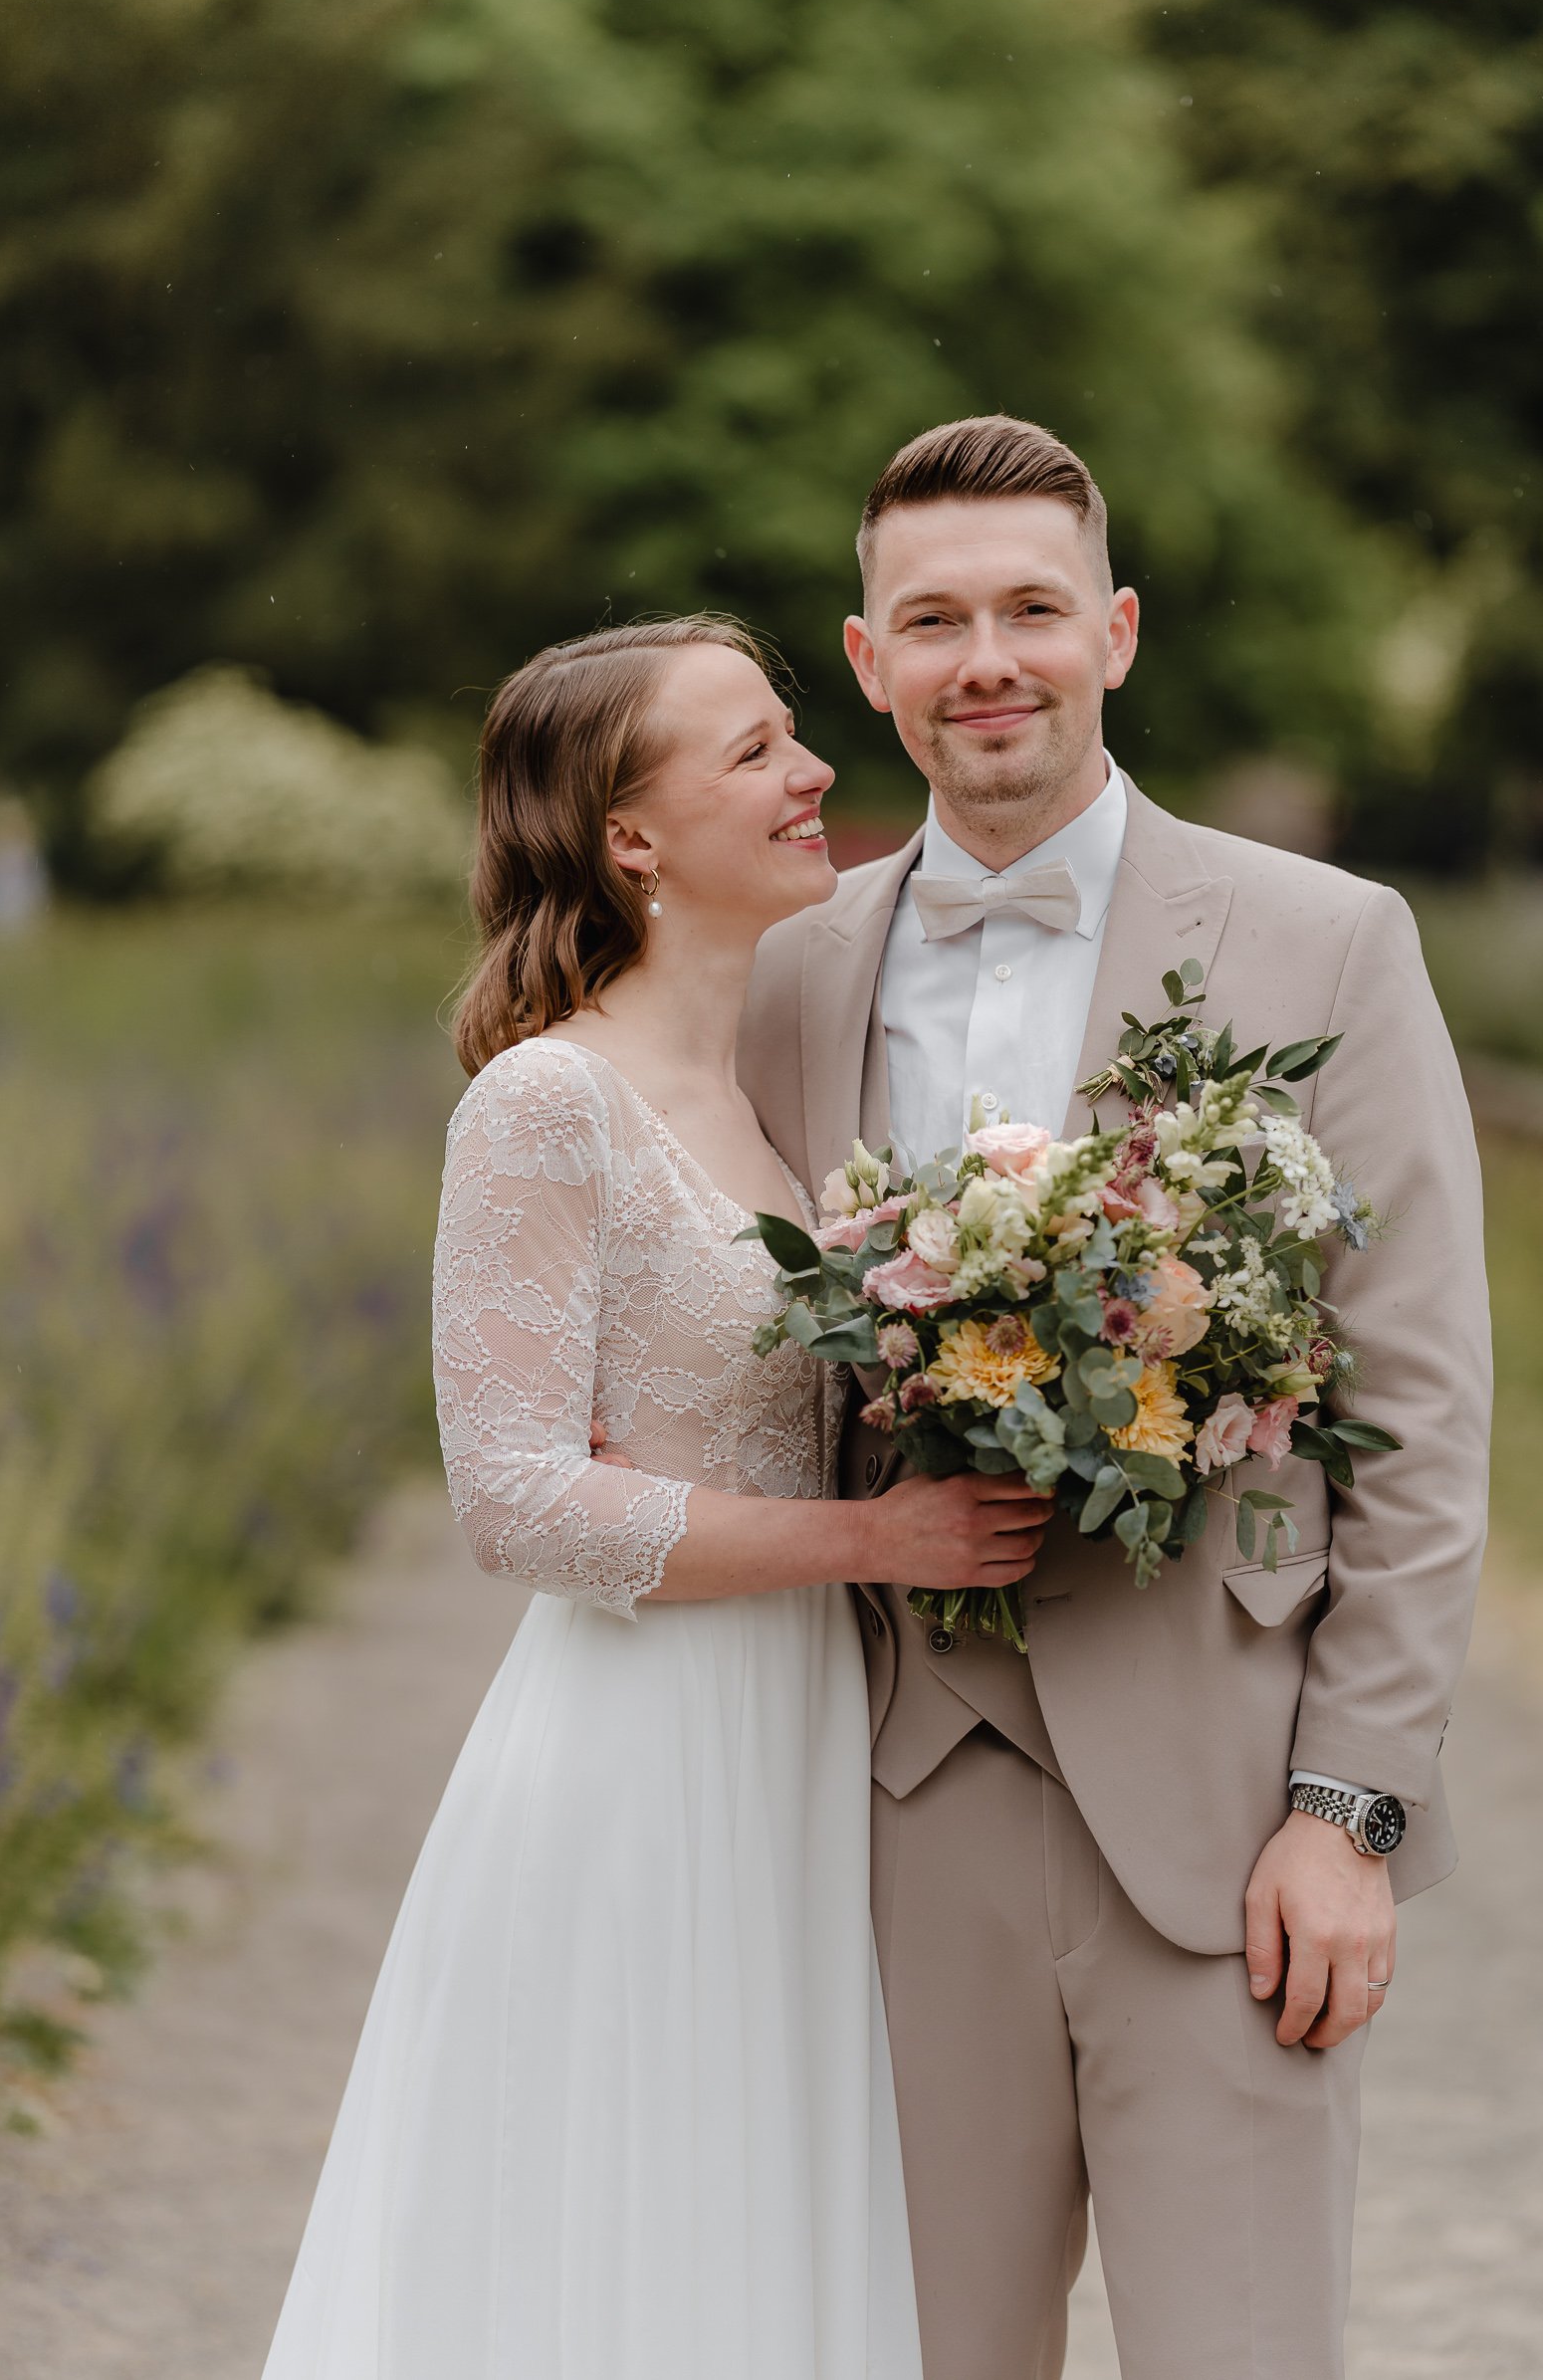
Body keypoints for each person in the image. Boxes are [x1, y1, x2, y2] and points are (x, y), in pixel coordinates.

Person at [739, 417, 1492, 2380]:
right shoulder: (790, 971)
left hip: (1232, 1807)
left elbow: (1413, 1405)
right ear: (872, 655)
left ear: (1119, 632)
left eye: (1032, 609)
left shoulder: (1329, 939)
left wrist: (1350, 1806)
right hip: (898, 1800)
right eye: (935, 618)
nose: (988, 655)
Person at [262, 615, 1051, 2380]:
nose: (813, 772)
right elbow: (517, 1501)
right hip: (640, 1746)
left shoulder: (774, 1101)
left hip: (803, 1732)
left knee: (763, 2227)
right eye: (758, 749)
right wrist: (872, 1540)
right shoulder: (549, 1104)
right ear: (630, 837)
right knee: (617, 2239)